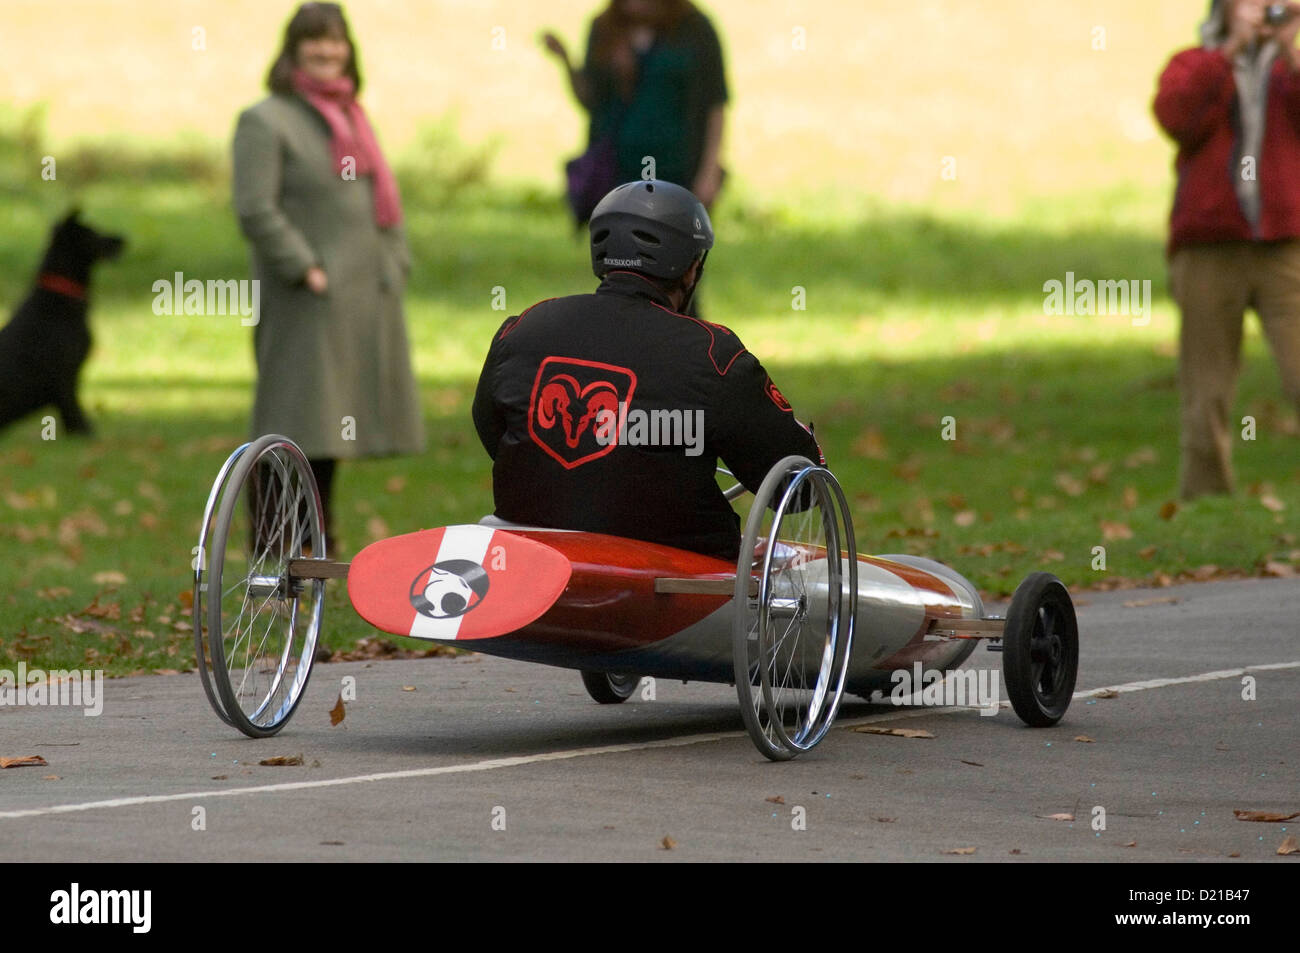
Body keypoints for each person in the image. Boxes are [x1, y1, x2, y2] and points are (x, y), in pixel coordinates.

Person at [472, 179, 822, 561]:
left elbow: (493, 430)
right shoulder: (713, 354)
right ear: (691, 270)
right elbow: (798, 486)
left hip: (528, 565)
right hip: (674, 586)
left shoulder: (523, 327)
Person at [232, 2, 423, 546]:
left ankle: (318, 540)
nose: (326, 51)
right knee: (293, 420)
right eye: (314, 41)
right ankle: (274, 545)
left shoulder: (353, 117)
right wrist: (304, 267)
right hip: (305, 297)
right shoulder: (265, 120)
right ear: (292, 50)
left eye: (336, 41)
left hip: (363, 293)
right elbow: (254, 207)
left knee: (332, 422)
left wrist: (394, 260)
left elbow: (381, 200)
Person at [1154, 0, 1300, 499]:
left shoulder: (1289, 69)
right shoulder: (1193, 63)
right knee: (1207, 388)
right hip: (1209, 248)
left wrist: (1291, 54)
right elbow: (1176, 118)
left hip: (1284, 247)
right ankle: (1207, 500)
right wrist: (1230, 53)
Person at [542, 0, 729, 215]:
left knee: (671, 241)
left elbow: (716, 104)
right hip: (619, 170)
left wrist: (710, 172)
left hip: (679, 170)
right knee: (620, 241)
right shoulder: (606, 28)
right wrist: (566, 61)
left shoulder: (696, 30)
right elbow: (591, 100)